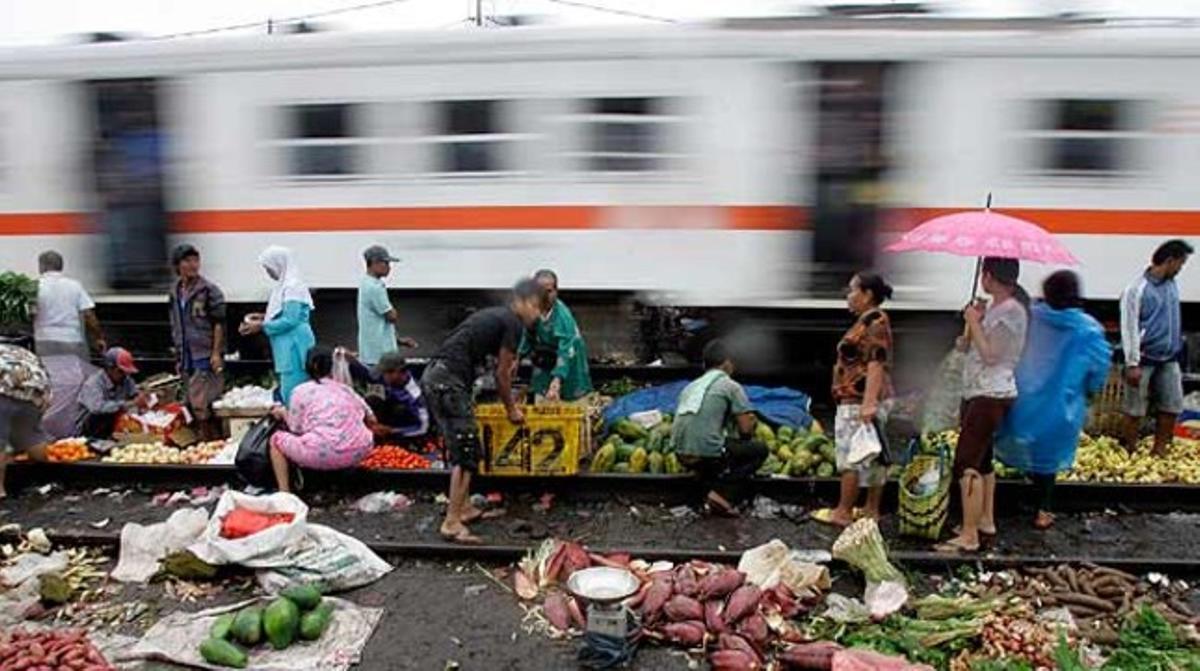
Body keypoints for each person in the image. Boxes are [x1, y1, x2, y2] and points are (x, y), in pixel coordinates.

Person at [422, 279, 543, 544]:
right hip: (448, 383)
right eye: (534, 306)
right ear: (520, 301)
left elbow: (500, 365)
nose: (536, 313)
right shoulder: (513, 322)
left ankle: (463, 508)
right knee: (466, 452)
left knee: (463, 448)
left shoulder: (495, 316)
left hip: (436, 378)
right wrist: (511, 409)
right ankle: (452, 522)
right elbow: (502, 375)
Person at [995, 271, 1111, 530]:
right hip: (1062, 404)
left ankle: (1023, 497)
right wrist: (1089, 390)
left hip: (1025, 398)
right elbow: (1099, 366)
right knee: (1049, 458)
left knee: (1027, 446)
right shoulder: (1088, 328)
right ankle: (1043, 509)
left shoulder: (1034, 316)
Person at [938, 257, 1029, 553]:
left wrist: (974, 322)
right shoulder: (997, 309)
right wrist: (969, 330)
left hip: (990, 394)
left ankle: (968, 534)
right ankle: (985, 520)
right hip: (982, 391)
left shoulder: (1012, 312)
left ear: (988, 276)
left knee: (966, 464)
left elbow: (992, 354)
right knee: (984, 460)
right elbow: (974, 347)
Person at [812, 272, 894, 527]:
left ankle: (843, 511)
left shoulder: (874, 321)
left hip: (859, 399)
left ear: (867, 294)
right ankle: (870, 509)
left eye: (852, 290)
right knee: (872, 453)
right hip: (865, 397)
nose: (848, 296)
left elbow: (876, 362)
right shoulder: (871, 320)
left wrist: (868, 402)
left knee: (851, 455)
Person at [671, 339, 766, 516]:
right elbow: (745, 429)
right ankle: (722, 495)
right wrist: (751, 424)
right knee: (758, 450)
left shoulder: (691, 387)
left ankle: (705, 488)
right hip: (707, 453)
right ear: (727, 362)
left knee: (720, 447)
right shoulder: (730, 386)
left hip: (679, 452)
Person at [1119, 239, 1193, 456]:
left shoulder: (1171, 285)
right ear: (1169, 261)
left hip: (1169, 356)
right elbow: (1129, 327)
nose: (1180, 269)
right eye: (1180, 263)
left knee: (1171, 405)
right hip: (1144, 357)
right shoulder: (1136, 290)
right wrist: (1132, 362)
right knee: (1135, 409)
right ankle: (1129, 450)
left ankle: (1160, 450)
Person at [268, 347, 375, 493]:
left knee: (276, 440)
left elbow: (295, 428)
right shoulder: (345, 389)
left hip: (321, 453)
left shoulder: (300, 391)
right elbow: (371, 418)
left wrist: (282, 413)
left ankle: (284, 492)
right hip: (360, 450)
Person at [34, 251, 105, 438]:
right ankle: (72, 426)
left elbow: (29, 314)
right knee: (75, 384)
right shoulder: (74, 286)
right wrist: (99, 338)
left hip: (44, 342)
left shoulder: (35, 287)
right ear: (61, 266)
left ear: (41, 266)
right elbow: (89, 315)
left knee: (52, 384)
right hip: (71, 342)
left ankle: (49, 427)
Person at [240, 246, 316, 405]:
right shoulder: (284, 285)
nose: (269, 273)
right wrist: (262, 317)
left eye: (269, 268)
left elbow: (290, 319)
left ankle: (296, 424)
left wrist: (261, 326)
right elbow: (281, 312)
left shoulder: (292, 286)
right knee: (289, 387)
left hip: (294, 346)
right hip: (287, 345)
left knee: (294, 391)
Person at [168, 244, 227, 440]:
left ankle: (208, 440)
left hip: (204, 351)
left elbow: (219, 322)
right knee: (192, 400)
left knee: (203, 401)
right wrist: (177, 354)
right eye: (187, 261)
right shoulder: (175, 292)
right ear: (178, 265)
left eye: (195, 260)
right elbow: (176, 323)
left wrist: (216, 353)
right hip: (186, 353)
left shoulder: (209, 290)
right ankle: (201, 440)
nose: (193, 265)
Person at [519, 269, 593, 402]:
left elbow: (565, 351)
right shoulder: (532, 310)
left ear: (556, 291)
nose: (545, 296)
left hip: (568, 360)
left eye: (549, 291)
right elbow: (527, 336)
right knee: (542, 397)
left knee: (569, 400)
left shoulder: (562, 316)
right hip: (545, 359)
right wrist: (516, 358)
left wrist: (557, 380)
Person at [0, 344, 52, 499]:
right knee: (31, 436)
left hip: (5, 388)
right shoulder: (14, 350)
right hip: (36, 391)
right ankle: (44, 468)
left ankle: (0, 490)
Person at [356, 245, 418, 367]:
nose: (389, 268)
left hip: (371, 352)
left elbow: (383, 322)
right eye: (386, 263)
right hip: (380, 354)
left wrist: (398, 340)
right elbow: (391, 316)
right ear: (374, 263)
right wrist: (393, 311)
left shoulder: (365, 282)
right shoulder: (375, 287)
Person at [348, 350, 430, 441]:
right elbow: (368, 374)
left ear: (398, 372)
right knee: (372, 400)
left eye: (385, 373)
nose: (382, 376)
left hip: (408, 424)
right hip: (391, 412)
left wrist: (391, 431)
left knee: (401, 410)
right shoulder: (387, 378)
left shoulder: (415, 395)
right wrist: (350, 359)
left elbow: (423, 427)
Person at [76, 347, 148, 439]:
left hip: (114, 427)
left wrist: (142, 398)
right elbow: (98, 408)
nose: (124, 375)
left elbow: (134, 393)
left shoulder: (126, 380)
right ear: (109, 368)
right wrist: (129, 403)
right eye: (120, 372)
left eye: (126, 372)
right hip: (91, 430)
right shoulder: (93, 384)